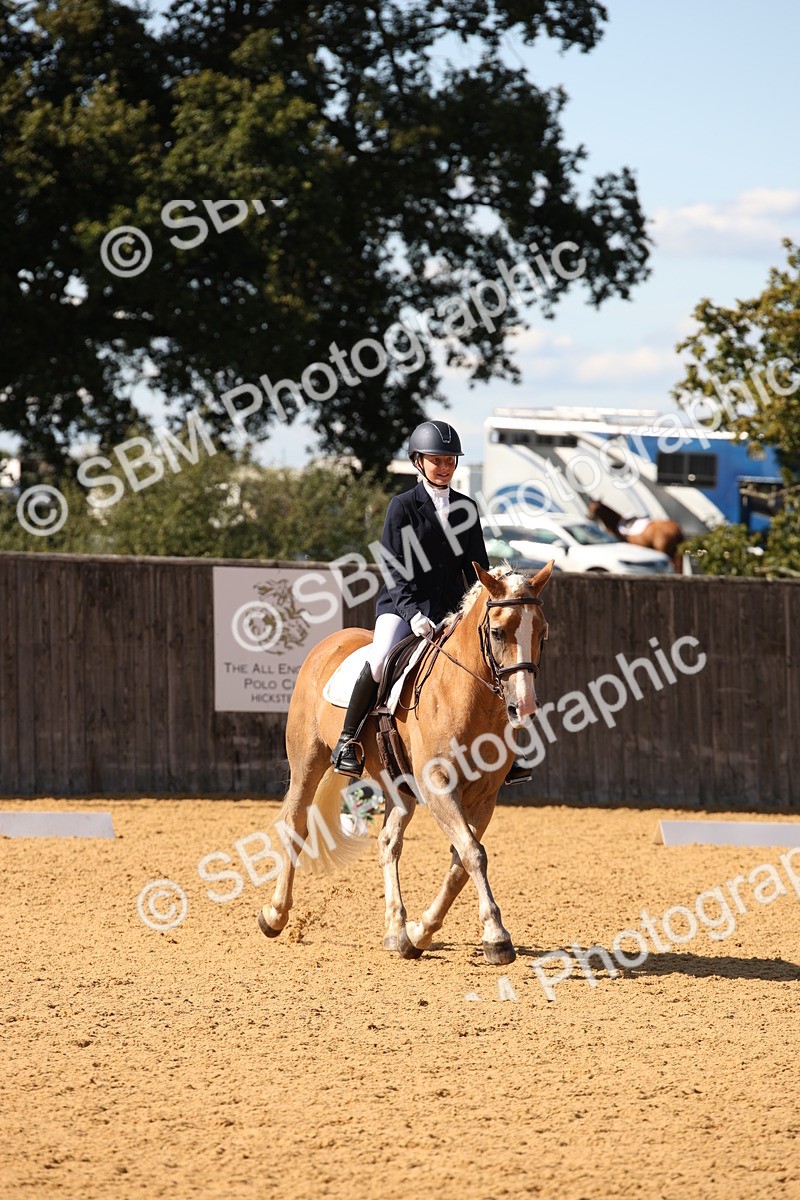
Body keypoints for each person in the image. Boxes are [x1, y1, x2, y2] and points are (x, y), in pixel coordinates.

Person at [330, 419, 532, 785]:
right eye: (436, 460)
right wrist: (412, 614)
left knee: (491, 663)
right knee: (378, 662)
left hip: (453, 609)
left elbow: (477, 570)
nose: (444, 467)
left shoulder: (466, 508)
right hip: (400, 605)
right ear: (418, 462)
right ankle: (348, 741)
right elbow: (393, 567)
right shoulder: (402, 506)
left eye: (450, 461)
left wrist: (481, 605)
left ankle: (507, 752)